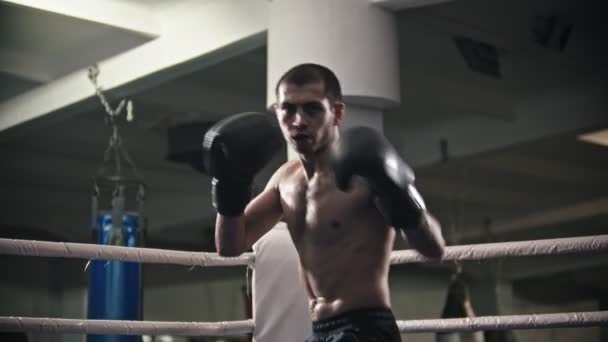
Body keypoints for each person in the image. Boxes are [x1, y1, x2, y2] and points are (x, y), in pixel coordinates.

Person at [203, 63, 446, 341]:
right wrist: (228, 187)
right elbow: (231, 246)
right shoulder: (285, 179)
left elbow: (434, 249)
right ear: (277, 112)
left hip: (364, 329)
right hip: (318, 331)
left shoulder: (362, 175)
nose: (299, 120)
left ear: (337, 112)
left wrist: (403, 196)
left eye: (312, 108)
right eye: (289, 109)